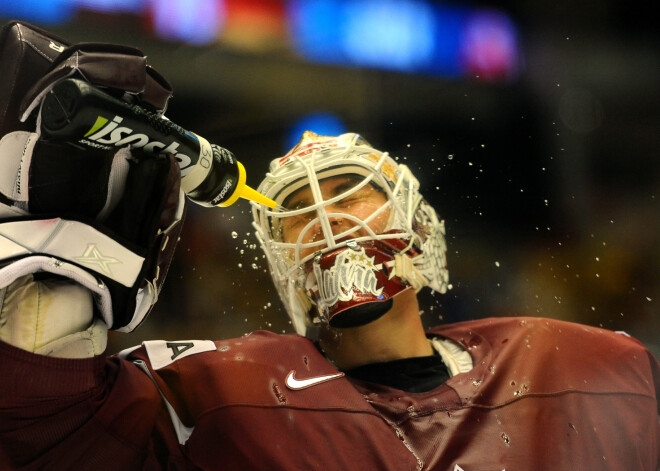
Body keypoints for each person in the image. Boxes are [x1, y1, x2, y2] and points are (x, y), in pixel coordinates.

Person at [0, 21, 658, 471]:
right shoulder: (215, 390)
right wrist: (52, 280)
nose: (324, 216)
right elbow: (46, 430)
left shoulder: (580, 366)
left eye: (347, 190)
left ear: (420, 230)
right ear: (280, 264)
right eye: (295, 211)